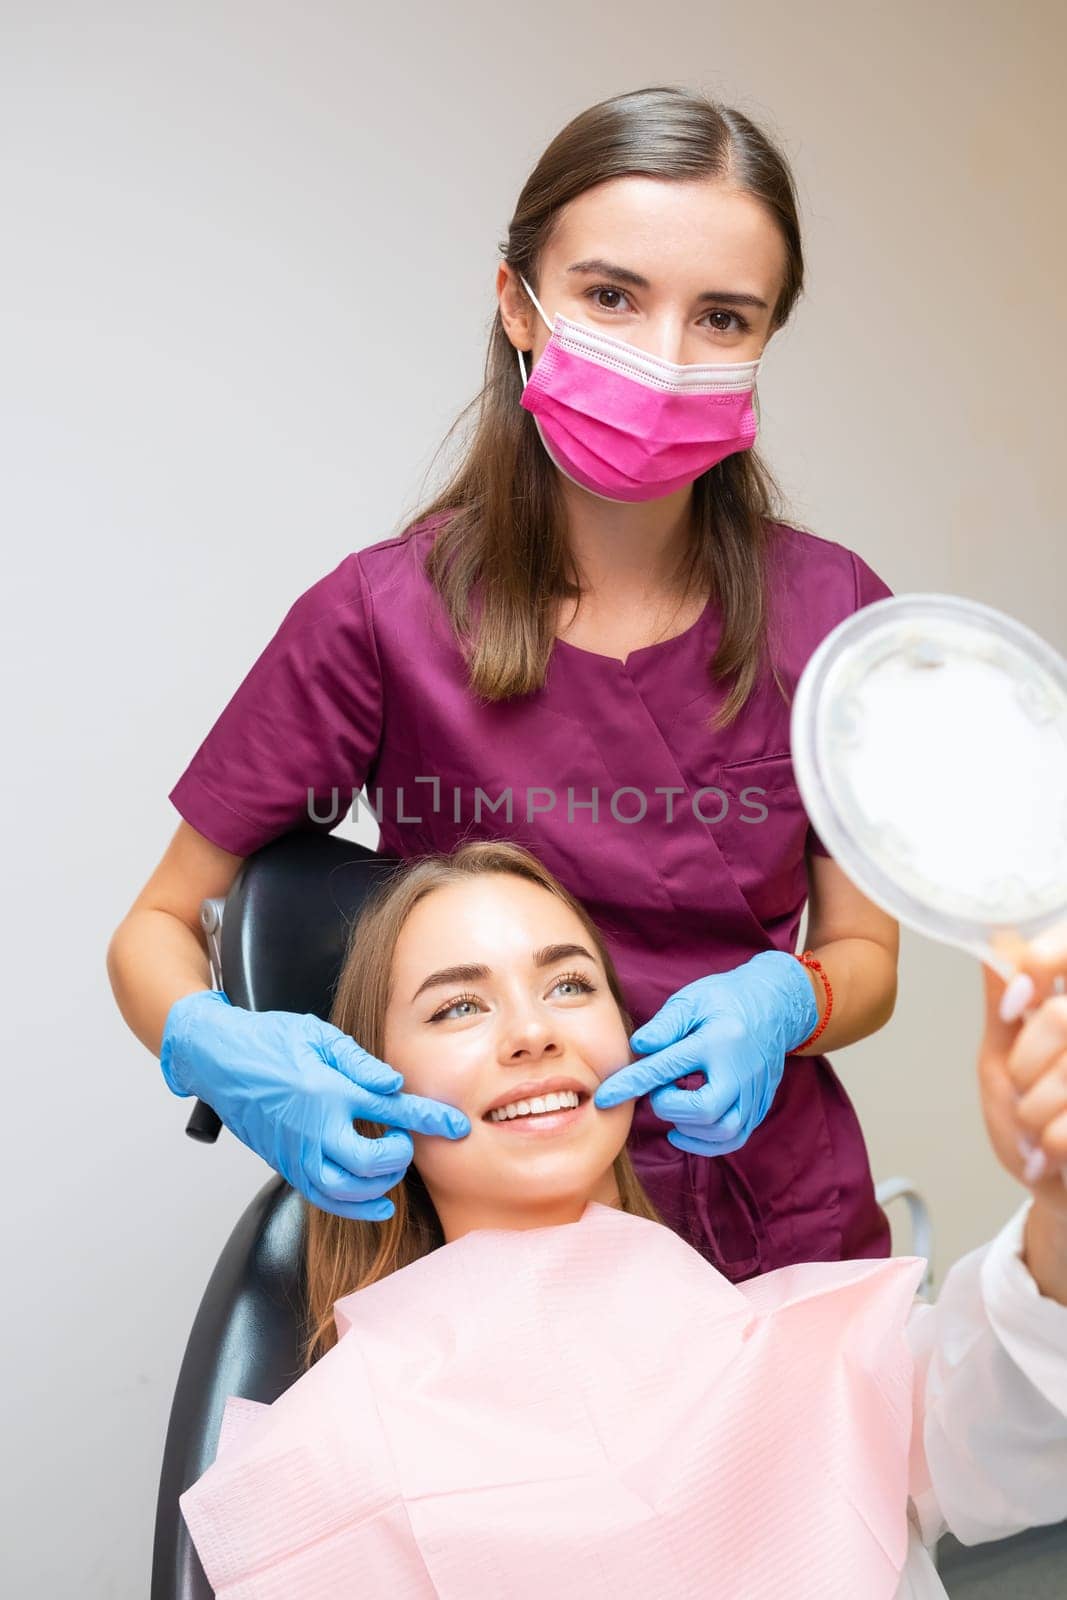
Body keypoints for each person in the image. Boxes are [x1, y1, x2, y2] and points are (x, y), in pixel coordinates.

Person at [107, 84, 903, 1278]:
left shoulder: (833, 614)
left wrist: (786, 1000)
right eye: (610, 295)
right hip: (489, 1231)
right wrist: (220, 1046)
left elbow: (866, 953)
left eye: (722, 318)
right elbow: (159, 925)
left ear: (763, 340)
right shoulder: (381, 620)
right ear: (518, 305)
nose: (664, 355)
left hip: (770, 1221)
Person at [179, 842, 1067, 1600]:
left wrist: (1058, 1197)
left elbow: (1020, 1394)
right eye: (458, 1005)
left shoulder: (810, 1354)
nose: (532, 1034)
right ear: (370, 1083)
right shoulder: (330, 1463)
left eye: (569, 984)